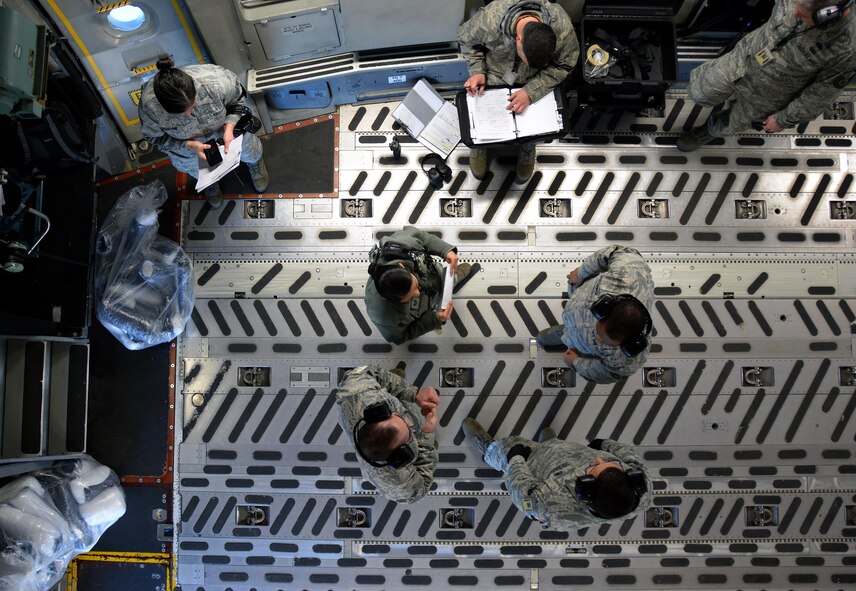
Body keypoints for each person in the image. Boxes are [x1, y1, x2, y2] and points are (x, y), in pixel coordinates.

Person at [678, 0, 856, 151]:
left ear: (827, 16)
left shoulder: (847, 47)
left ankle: (707, 132)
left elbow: (820, 95)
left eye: (803, 15)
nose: (794, 13)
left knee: (733, 122)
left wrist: (783, 119)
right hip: (744, 59)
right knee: (699, 92)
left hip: (770, 95)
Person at [458, 0, 579, 183]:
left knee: (533, 122)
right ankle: (481, 142)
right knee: (483, 112)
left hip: (535, 78)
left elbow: (564, 65)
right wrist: (477, 71)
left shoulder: (561, 27)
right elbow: (466, 40)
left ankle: (528, 144)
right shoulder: (490, 20)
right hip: (494, 74)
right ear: (518, 39)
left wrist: (531, 91)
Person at [462, 419, 651, 530]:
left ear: (585, 490)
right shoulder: (641, 489)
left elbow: (521, 492)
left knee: (508, 449)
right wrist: (604, 445)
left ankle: (489, 449)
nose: (600, 461)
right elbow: (630, 457)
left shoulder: (553, 508)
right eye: (610, 464)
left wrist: (516, 459)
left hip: (538, 464)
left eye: (594, 468)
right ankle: (552, 443)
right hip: (571, 453)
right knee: (559, 446)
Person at [138, 57, 269, 208]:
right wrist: (186, 145)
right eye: (179, 114)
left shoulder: (217, 81)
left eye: (191, 106)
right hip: (188, 150)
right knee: (198, 170)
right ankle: (210, 182)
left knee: (249, 151)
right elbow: (154, 138)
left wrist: (230, 125)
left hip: (227, 134)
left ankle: (254, 163)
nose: (188, 114)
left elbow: (238, 99)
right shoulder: (149, 106)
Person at [535, 246, 654, 384]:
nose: (597, 337)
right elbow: (615, 252)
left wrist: (575, 362)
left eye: (603, 340)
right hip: (575, 315)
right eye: (599, 331)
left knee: (542, 338)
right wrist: (580, 273)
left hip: (573, 339)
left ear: (627, 345)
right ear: (605, 306)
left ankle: (556, 337)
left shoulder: (625, 360)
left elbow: (604, 373)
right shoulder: (629, 273)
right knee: (542, 338)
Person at [337, 365, 440, 503]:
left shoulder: (356, 391)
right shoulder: (396, 481)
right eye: (409, 432)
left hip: (374, 393)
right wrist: (427, 435)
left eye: (395, 415)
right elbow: (422, 487)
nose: (405, 418)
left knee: (382, 382)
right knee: (428, 446)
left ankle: (390, 385)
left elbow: (370, 372)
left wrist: (413, 394)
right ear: (402, 456)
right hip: (410, 456)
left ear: (376, 413)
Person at [365, 226, 473, 345]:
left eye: (415, 286)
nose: (418, 293)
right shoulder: (384, 316)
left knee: (442, 278)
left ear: (402, 266)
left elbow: (422, 237)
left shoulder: (403, 241)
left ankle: (450, 279)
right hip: (425, 310)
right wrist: (435, 320)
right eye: (410, 295)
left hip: (431, 276)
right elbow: (400, 337)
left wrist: (445, 251)